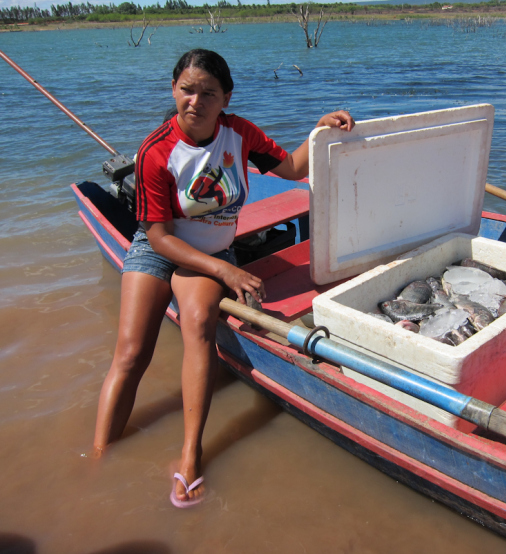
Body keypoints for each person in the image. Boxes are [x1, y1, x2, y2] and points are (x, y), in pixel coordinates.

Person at [93, 49, 354, 508]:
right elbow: (157, 235)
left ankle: (190, 457)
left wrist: (319, 130)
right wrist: (226, 269)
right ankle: (97, 457)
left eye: (207, 93)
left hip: (210, 254)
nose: (195, 101)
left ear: (225, 97)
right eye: (186, 90)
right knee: (132, 354)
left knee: (198, 327)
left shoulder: (239, 133)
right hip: (161, 248)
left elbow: (291, 170)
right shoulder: (157, 151)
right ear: (174, 90)